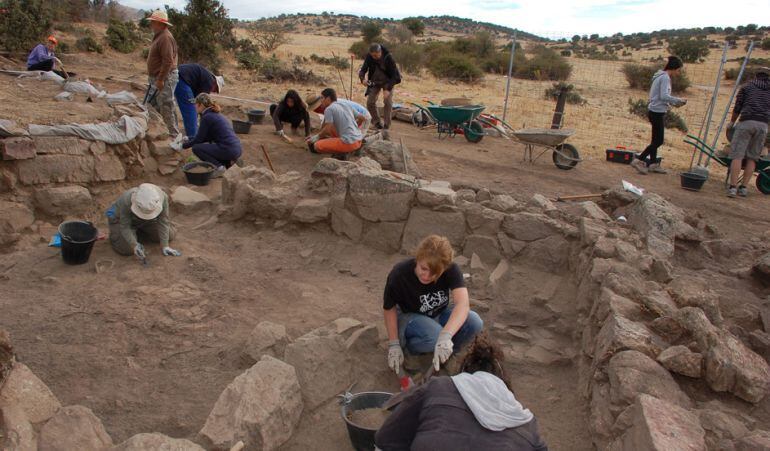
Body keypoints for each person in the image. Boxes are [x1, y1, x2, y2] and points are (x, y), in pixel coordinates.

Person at [375, 333, 548, 451]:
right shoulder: (527, 427)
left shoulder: (439, 387)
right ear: (503, 386)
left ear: (466, 375)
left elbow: (384, 439)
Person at [383, 235, 483, 375]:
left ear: (444, 268)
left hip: (438, 313)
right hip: (409, 317)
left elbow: (463, 304)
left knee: (474, 322)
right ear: (417, 259)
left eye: (435, 273)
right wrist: (394, 344)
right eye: (423, 268)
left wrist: (446, 337)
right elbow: (389, 308)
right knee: (435, 335)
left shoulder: (451, 269)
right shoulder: (399, 274)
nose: (427, 276)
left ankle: (446, 354)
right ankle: (411, 352)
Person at [631, 56, 687, 175]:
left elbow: (660, 96)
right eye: (678, 70)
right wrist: (678, 100)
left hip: (654, 110)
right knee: (659, 141)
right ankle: (638, 160)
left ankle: (653, 164)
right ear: (674, 68)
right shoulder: (665, 78)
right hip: (657, 112)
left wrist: (671, 103)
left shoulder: (659, 76)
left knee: (655, 139)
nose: (679, 72)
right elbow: (663, 96)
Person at [725, 67, 770, 198]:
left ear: (756, 75)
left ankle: (733, 187)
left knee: (737, 155)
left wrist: (732, 122)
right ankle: (743, 188)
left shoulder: (747, 87)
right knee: (752, 157)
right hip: (763, 125)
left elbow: (738, 106)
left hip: (746, 122)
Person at [107, 183, 181, 261]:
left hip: (146, 221)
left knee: (169, 235)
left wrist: (165, 246)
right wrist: (134, 245)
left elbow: (163, 221)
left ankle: (138, 233)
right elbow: (125, 226)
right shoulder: (127, 199)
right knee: (127, 250)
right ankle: (117, 235)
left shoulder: (163, 197)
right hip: (121, 220)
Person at [182, 93, 242, 178]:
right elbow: (205, 137)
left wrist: (182, 146)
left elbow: (198, 141)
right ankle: (229, 164)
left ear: (201, 105)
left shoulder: (207, 117)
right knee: (208, 147)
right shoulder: (215, 114)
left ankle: (220, 168)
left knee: (197, 148)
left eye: (196, 104)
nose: (194, 106)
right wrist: (188, 138)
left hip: (228, 149)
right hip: (236, 149)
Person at [146, 9, 180, 138]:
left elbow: (168, 61)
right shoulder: (160, 36)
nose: (151, 25)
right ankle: (159, 133)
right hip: (158, 78)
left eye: (153, 22)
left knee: (166, 106)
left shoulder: (165, 37)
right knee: (153, 105)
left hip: (165, 78)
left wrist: (160, 79)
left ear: (160, 24)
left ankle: (174, 136)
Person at [305, 88, 363, 157]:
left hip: (348, 143)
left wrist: (316, 137)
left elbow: (327, 129)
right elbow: (362, 118)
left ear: (328, 98)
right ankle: (349, 148)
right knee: (332, 127)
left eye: (322, 98)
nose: (321, 101)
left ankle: (343, 152)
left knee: (316, 146)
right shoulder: (345, 104)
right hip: (359, 140)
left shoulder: (329, 109)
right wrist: (354, 130)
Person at [175, 63, 225, 139]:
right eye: (215, 89)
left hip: (178, 76)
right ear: (215, 83)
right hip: (182, 78)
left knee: (191, 105)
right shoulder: (209, 82)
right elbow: (203, 105)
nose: (213, 92)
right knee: (190, 108)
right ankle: (193, 136)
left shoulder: (206, 78)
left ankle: (192, 131)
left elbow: (197, 100)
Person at [359, 43, 401, 130]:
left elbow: (395, 76)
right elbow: (363, 70)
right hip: (375, 82)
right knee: (370, 102)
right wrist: (362, 79)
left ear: (380, 52)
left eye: (376, 55)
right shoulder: (369, 57)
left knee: (388, 102)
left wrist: (388, 89)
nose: (374, 57)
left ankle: (386, 125)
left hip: (388, 82)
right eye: (372, 55)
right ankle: (377, 123)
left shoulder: (388, 58)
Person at [307, 95, 372, 133]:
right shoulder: (327, 105)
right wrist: (320, 133)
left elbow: (361, 118)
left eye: (316, 108)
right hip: (354, 116)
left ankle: (377, 136)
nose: (316, 111)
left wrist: (355, 128)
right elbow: (326, 121)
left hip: (364, 115)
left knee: (356, 138)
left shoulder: (336, 106)